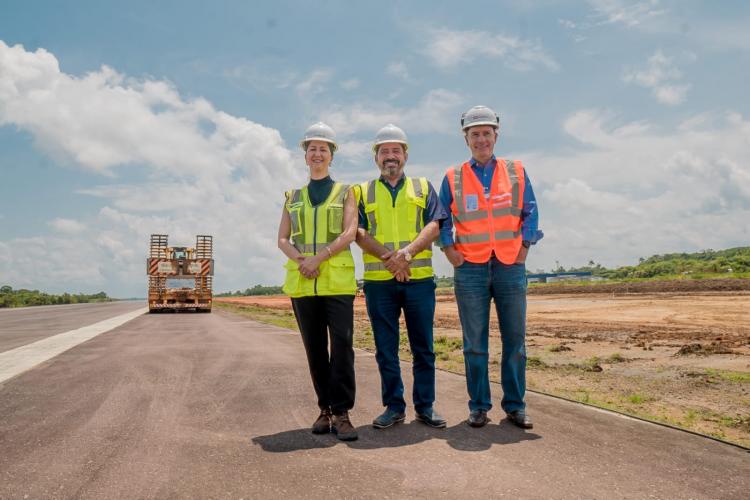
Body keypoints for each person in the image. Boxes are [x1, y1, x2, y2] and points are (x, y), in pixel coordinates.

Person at [439, 106, 543, 429]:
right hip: (469, 267)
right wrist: (450, 252)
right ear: (466, 139)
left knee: (515, 342)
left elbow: (531, 211)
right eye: (475, 134)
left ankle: (515, 406)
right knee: (474, 344)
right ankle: (479, 406)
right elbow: (441, 219)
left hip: (510, 265)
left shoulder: (516, 170)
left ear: (496, 135)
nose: (481, 139)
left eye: (486, 133)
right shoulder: (453, 177)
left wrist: (525, 248)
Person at [356, 124, 448, 429]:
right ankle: (394, 407)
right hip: (379, 284)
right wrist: (390, 258)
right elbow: (358, 232)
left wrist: (406, 254)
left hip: (418, 280)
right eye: (384, 151)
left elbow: (434, 225)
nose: (390, 156)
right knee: (386, 349)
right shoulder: (362, 192)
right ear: (376, 157)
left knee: (424, 348)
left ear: (405, 155)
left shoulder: (423, 187)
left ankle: (425, 406)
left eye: (396, 150)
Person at [277, 122, 359, 441]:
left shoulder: (346, 192)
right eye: (312, 148)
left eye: (323, 149)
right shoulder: (293, 196)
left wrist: (318, 258)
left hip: (336, 283)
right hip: (303, 284)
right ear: (305, 156)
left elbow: (349, 233)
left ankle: (342, 413)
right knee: (315, 350)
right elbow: (282, 239)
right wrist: (302, 261)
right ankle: (325, 410)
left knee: (342, 348)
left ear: (331, 155)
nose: (317, 153)